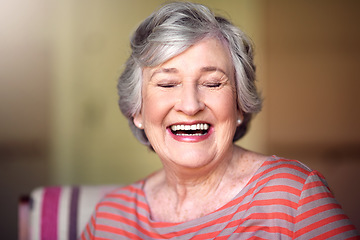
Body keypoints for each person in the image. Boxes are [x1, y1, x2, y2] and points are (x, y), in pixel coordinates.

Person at [80, 2, 359, 239]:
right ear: (138, 111)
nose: (190, 106)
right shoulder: (109, 220)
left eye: (213, 83)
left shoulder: (293, 197)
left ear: (239, 105)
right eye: (167, 84)